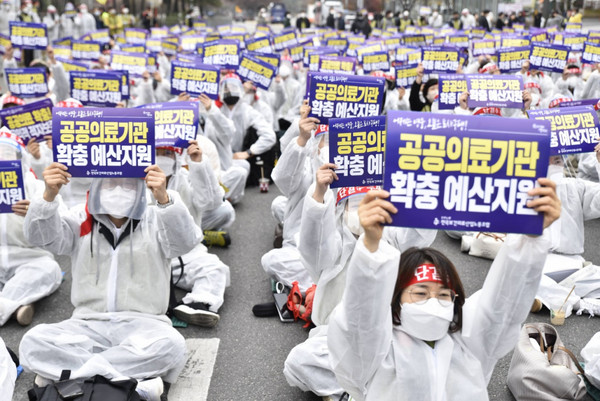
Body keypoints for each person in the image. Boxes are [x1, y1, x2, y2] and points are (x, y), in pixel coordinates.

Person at [327, 179, 561, 401]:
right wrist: (370, 245)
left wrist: (529, 241)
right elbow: (360, 320)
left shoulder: (469, 343)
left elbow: (503, 304)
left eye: (443, 295)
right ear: (396, 299)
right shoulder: (379, 351)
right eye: (420, 293)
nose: (433, 302)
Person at [21, 163, 200, 401]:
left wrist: (165, 200)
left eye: (127, 184)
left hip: (145, 325)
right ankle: (130, 383)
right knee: (33, 342)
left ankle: (70, 376)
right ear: (97, 185)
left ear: (140, 186)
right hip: (87, 324)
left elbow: (185, 242)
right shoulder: (81, 217)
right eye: (110, 183)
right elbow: (41, 238)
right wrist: (49, 196)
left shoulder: (157, 216)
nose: (118, 190)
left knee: (172, 345)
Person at [154, 141, 231, 326]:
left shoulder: (186, 177)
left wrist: (198, 163)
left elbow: (211, 202)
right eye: (158, 152)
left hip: (185, 253)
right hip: (149, 255)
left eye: (167, 152)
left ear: (176, 156)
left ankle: (197, 304)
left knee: (214, 268)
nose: (162, 157)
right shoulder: (136, 180)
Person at [0, 128, 62, 327]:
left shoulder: (37, 187)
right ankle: (16, 307)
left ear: (21, 159)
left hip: (30, 257)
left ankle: (7, 304)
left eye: (8, 154)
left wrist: (36, 212)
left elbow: (61, 223)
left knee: (49, 269)